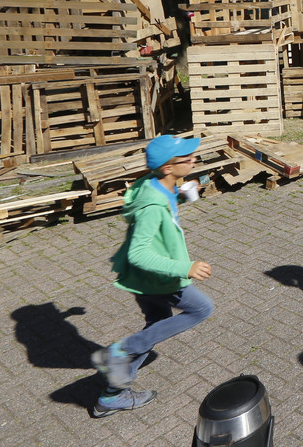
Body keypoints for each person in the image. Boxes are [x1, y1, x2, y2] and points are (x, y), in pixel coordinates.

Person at [90, 135, 215, 418]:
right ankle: (120, 351)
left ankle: (112, 395)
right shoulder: (152, 207)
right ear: (168, 168)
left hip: (143, 280)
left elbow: (162, 200)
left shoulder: (155, 183)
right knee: (202, 309)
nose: (194, 160)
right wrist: (185, 268)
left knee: (157, 326)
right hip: (158, 278)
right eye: (187, 158)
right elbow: (138, 253)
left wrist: (179, 194)